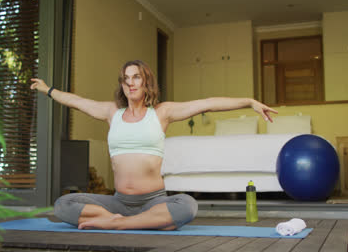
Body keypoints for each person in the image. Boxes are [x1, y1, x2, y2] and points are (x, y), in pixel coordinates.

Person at [30, 60, 277, 231]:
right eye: (126, 79)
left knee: (187, 206)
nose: (131, 83)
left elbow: (208, 103)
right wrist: (47, 90)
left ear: (146, 81)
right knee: (63, 205)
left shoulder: (161, 113)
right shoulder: (111, 112)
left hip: (153, 201)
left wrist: (249, 102)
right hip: (118, 202)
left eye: (136, 77)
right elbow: (76, 101)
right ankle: (138, 221)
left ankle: (116, 224)